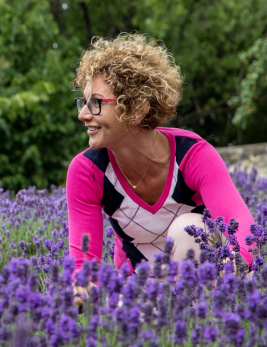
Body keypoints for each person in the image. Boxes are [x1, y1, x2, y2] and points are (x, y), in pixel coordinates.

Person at [66, 33, 253, 302]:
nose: (83, 114)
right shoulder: (87, 170)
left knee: (187, 228)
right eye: (83, 102)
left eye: (96, 103)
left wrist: (231, 272)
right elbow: (83, 268)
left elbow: (243, 229)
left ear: (138, 108)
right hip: (140, 285)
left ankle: (199, 322)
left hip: (205, 283)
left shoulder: (192, 154)